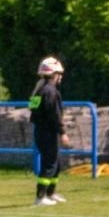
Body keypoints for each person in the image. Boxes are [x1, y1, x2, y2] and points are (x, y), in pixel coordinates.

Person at [29, 56, 71, 206]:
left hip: (41, 131)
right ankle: (40, 197)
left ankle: (50, 193)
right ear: (54, 74)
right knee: (50, 164)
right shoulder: (51, 92)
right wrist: (63, 132)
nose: (61, 77)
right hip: (47, 132)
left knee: (56, 163)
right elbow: (55, 115)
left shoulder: (39, 89)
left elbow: (33, 111)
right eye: (59, 73)